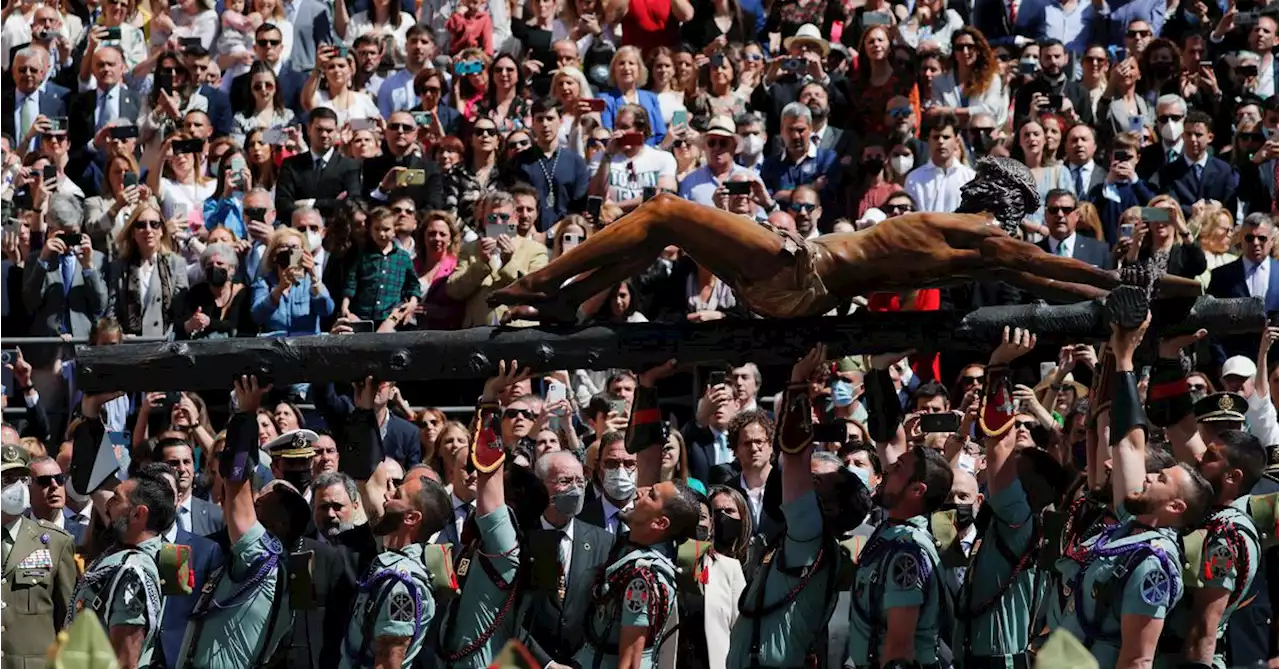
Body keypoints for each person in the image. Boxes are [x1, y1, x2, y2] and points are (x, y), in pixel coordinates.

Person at [490, 157, 1204, 324]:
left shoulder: (986, 234)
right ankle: (571, 298)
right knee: (665, 231)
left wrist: (1133, 286)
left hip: (803, 274)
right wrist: (1133, 291)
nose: (971, 188)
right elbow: (1053, 282)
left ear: (1000, 199)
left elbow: (1051, 266)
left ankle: (540, 282)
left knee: (665, 207)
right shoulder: (978, 254)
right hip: (801, 290)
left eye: (985, 183)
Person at [177, 375, 293, 669]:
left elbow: (235, 483)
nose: (254, 499)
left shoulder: (261, 552)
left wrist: (246, 413)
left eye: (262, 497)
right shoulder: (273, 562)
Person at [341, 408, 447, 668]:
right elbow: (371, 479)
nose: (387, 497)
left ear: (411, 518)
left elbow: (388, 663)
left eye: (397, 495)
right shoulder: (391, 561)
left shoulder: (400, 583)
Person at [68, 462, 174, 669]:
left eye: (116, 499)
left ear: (138, 514)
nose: (106, 505)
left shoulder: (133, 572)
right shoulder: (121, 556)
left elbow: (125, 661)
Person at [523, 450, 614, 667]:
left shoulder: (603, 542)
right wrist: (546, 664)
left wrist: (580, 661)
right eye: (565, 481)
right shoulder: (521, 539)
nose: (575, 489)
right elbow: (508, 616)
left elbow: (606, 614)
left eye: (580, 481)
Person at [0, 444, 77, 668]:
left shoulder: (56, 543)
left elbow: (69, 621)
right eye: (8, 479)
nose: (17, 487)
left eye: (23, 479)